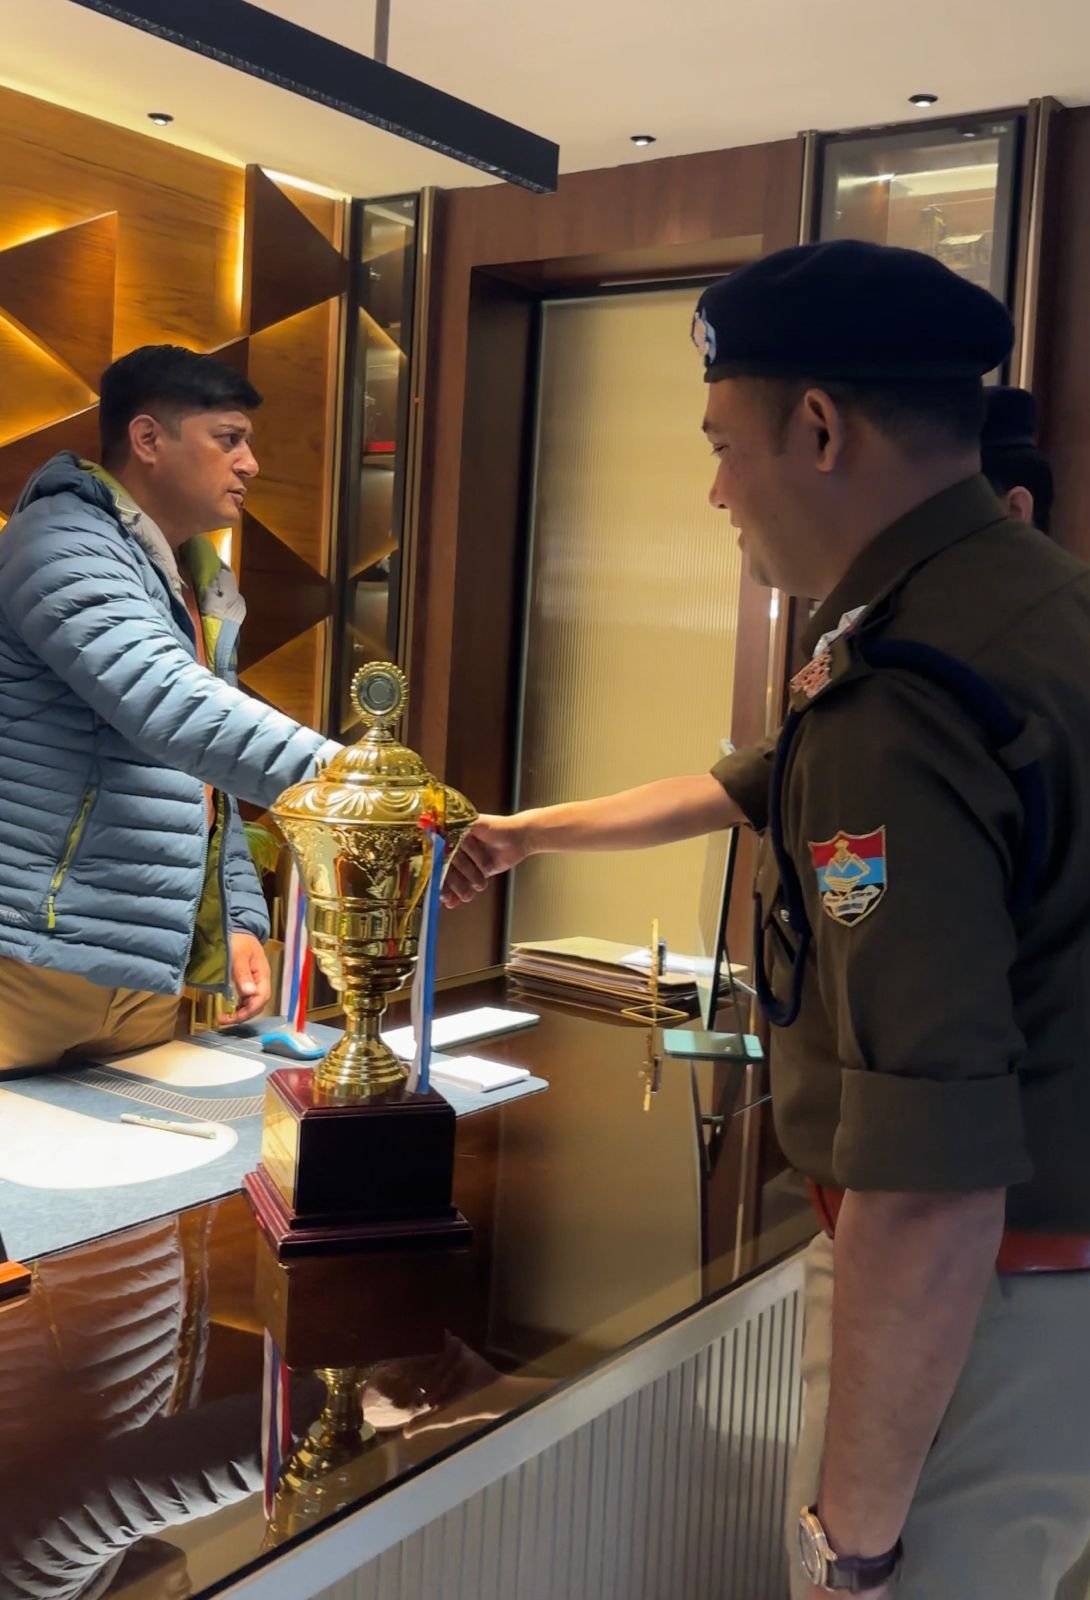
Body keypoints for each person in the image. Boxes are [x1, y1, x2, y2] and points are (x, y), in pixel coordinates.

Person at [448, 239, 1090, 1599]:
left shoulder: (902, 697)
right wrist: (527, 831)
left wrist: (848, 1551)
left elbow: (927, 1177)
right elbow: (753, 784)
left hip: (983, 1306)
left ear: (817, 427)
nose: (715, 491)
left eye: (722, 446)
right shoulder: (1024, 610)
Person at [441, 383, 1055, 900]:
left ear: (1013, 510)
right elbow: (731, 789)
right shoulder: (896, 654)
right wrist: (526, 833)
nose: (718, 494)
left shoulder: (933, 681)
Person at [0, 346, 340, 1074]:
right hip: (27, 955)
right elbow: (173, 706)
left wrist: (238, 917)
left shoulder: (194, 574)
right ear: (149, 438)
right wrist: (365, 786)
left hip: (143, 962)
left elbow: (202, 776)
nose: (250, 464)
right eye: (229, 439)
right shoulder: (58, 540)